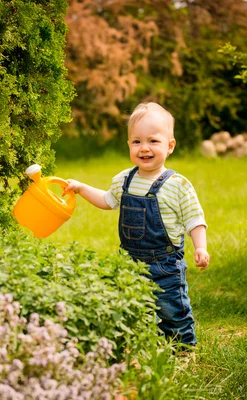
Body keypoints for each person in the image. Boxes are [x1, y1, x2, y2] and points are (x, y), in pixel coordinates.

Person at [64, 102, 210, 348]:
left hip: (165, 264)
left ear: (170, 146)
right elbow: (107, 201)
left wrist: (200, 247)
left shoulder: (178, 185)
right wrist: (81, 188)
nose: (144, 148)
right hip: (130, 260)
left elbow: (194, 219)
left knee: (172, 308)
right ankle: (144, 346)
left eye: (153, 141)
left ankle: (184, 348)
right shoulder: (124, 179)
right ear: (129, 144)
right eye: (136, 142)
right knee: (134, 308)